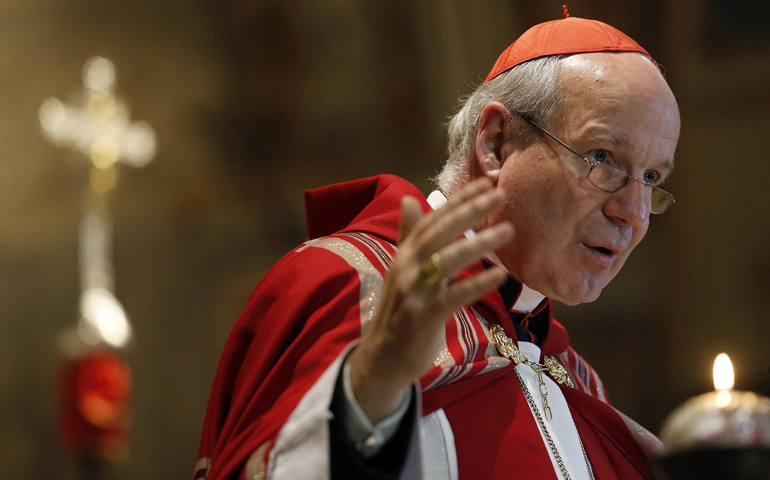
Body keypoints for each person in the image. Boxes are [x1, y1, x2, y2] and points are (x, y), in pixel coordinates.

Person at [194, 11, 681, 480]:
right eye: (602, 157)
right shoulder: (345, 284)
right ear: (495, 143)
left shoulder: (577, 383)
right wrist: (369, 390)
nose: (634, 213)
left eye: (652, 177)